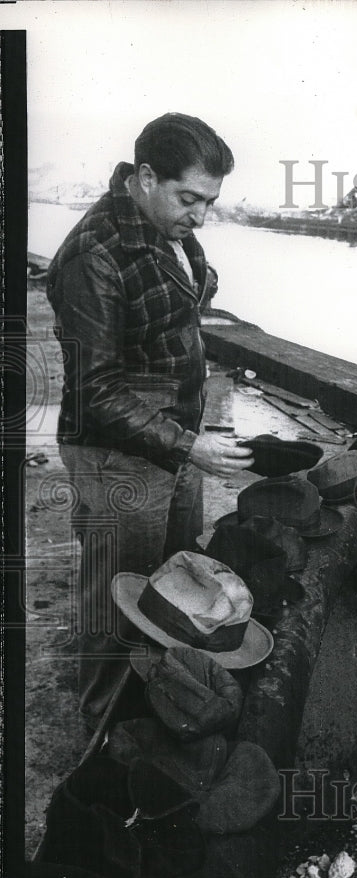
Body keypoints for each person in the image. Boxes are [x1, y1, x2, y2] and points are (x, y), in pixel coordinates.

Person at [46, 113, 255, 729]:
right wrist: (188, 446)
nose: (201, 215)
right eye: (190, 198)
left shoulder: (168, 226)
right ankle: (104, 731)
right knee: (118, 598)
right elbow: (94, 390)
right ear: (143, 177)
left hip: (170, 441)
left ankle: (160, 706)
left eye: (210, 202)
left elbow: (179, 312)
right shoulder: (94, 255)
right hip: (118, 454)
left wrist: (185, 442)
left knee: (173, 590)